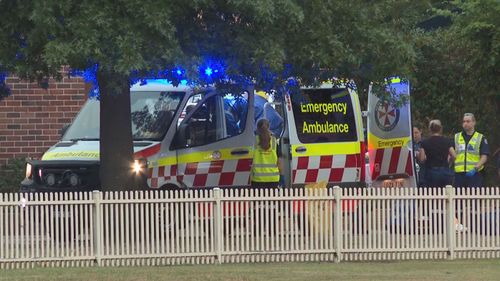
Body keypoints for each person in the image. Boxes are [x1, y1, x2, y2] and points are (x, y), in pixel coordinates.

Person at [454, 113, 489, 188]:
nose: (465, 123)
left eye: (468, 121)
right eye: (464, 121)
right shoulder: (456, 137)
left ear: (474, 122)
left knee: (474, 198)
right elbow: (452, 153)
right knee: (459, 198)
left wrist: (475, 168)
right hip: (459, 174)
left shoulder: (480, 138)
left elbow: (484, 156)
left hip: (474, 173)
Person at [418, 120, 456, 188]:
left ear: (430, 129)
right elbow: (454, 155)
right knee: (446, 194)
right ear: (440, 129)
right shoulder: (446, 141)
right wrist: (449, 162)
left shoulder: (425, 142)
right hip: (445, 171)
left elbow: (422, 159)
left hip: (431, 172)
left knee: (433, 195)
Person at [251, 118, 283, 189]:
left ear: (257, 128)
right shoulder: (274, 141)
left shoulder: (254, 141)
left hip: (257, 179)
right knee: (271, 200)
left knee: (259, 200)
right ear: (268, 127)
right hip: (273, 179)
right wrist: (281, 175)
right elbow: (279, 162)